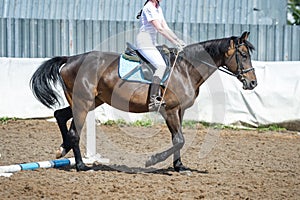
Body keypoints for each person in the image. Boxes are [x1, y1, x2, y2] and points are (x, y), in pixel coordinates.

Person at [136, 0, 186, 111]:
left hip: (153, 43)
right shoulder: (149, 7)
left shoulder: (158, 7)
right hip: (144, 43)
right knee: (161, 66)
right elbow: (159, 29)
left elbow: (166, 27)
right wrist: (175, 42)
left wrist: (178, 40)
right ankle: (153, 100)